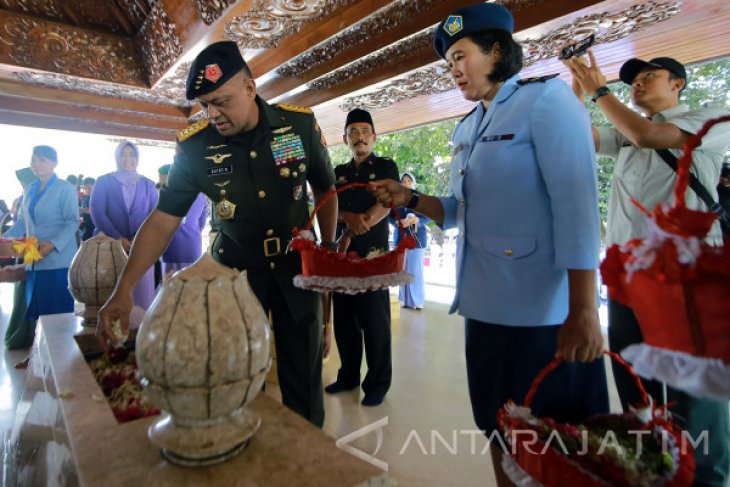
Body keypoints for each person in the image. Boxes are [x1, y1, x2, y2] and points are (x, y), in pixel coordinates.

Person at [370, 4, 609, 484]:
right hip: (484, 310)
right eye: (449, 62)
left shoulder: (547, 101)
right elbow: (460, 211)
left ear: (497, 50)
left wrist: (584, 310)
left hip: (544, 317)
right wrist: (412, 198)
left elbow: (578, 207)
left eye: (462, 56)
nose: (454, 70)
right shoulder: (468, 126)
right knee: (499, 430)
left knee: (560, 446)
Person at [97, 41, 336, 427]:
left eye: (221, 101)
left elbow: (326, 189)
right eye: (205, 104)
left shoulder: (299, 125)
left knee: (304, 380)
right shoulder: (195, 148)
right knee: (236, 377)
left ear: (250, 87)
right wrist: (124, 287)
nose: (213, 114)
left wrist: (326, 251)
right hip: (236, 278)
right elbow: (162, 219)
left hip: (298, 271)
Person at [565, 52, 730, 487]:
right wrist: (578, 87)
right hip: (628, 280)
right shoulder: (627, 133)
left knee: (693, 394)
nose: (636, 84)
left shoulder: (712, 120)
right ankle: (654, 472)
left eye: (648, 77)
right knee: (635, 383)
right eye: (631, 81)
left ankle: (708, 479)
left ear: (677, 83)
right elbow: (569, 133)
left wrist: (602, 91)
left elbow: (648, 135)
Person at [324, 108, 399, 407]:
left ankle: (378, 383)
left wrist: (355, 226)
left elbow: (386, 203)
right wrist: (347, 216)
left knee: (375, 322)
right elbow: (329, 206)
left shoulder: (385, 167)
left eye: (364, 130)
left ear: (374, 136)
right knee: (344, 320)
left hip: (373, 258)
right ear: (345, 139)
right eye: (352, 131)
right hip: (342, 261)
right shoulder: (338, 173)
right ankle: (348, 376)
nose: (359, 136)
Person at [4, 146, 79, 363]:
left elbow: (72, 222)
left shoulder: (65, 188)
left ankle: (61, 359)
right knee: (36, 310)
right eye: (34, 159)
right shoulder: (30, 189)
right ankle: (37, 356)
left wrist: (52, 244)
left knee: (57, 315)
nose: (36, 164)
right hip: (33, 259)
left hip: (57, 260)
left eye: (42, 160)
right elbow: (22, 223)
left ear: (54, 163)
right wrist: (5, 238)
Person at [90, 141, 159, 309]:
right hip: (110, 246)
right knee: (112, 290)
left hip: (141, 247)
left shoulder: (148, 184)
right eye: (123, 154)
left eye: (132, 154)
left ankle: (140, 330)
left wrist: (140, 237)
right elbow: (97, 211)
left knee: (142, 294)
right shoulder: (104, 181)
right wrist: (117, 237)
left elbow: (155, 215)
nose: (128, 159)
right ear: (116, 157)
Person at [157, 163, 208, 276]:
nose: (160, 182)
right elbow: (202, 221)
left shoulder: (163, 196)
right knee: (191, 286)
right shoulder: (199, 194)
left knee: (170, 288)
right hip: (192, 246)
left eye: (161, 178)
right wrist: (191, 231)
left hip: (170, 248)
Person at [390, 172, 430, 309]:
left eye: (409, 181)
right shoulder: (395, 199)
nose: (406, 183)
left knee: (415, 271)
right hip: (400, 240)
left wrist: (417, 220)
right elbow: (389, 216)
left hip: (417, 241)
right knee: (402, 270)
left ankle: (417, 301)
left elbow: (430, 215)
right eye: (403, 181)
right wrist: (397, 222)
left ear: (413, 182)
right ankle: (405, 301)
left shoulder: (421, 198)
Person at [79, 176, 96, 241]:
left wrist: (76, 209)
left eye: (89, 188)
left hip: (94, 227)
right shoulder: (85, 198)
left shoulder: (96, 198)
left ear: (95, 186)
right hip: (86, 225)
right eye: (85, 188)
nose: (87, 190)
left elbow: (88, 210)